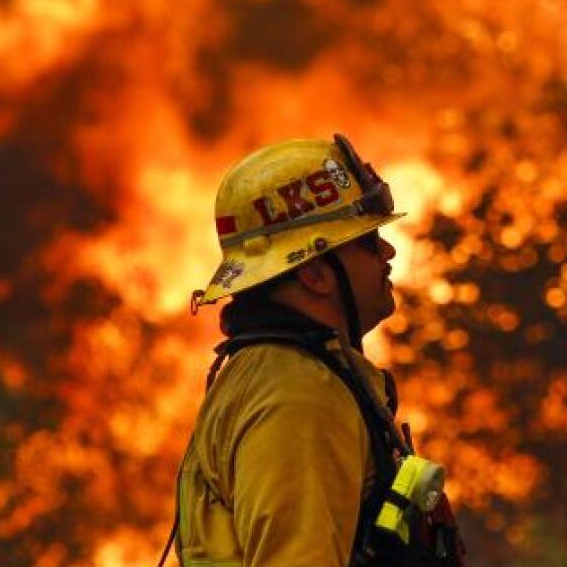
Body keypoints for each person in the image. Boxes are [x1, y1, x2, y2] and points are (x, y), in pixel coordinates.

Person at [161, 135, 463, 567]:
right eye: (368, 240)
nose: (388, 252)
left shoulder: (282, 374)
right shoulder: (298, 396)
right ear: (316, 275)